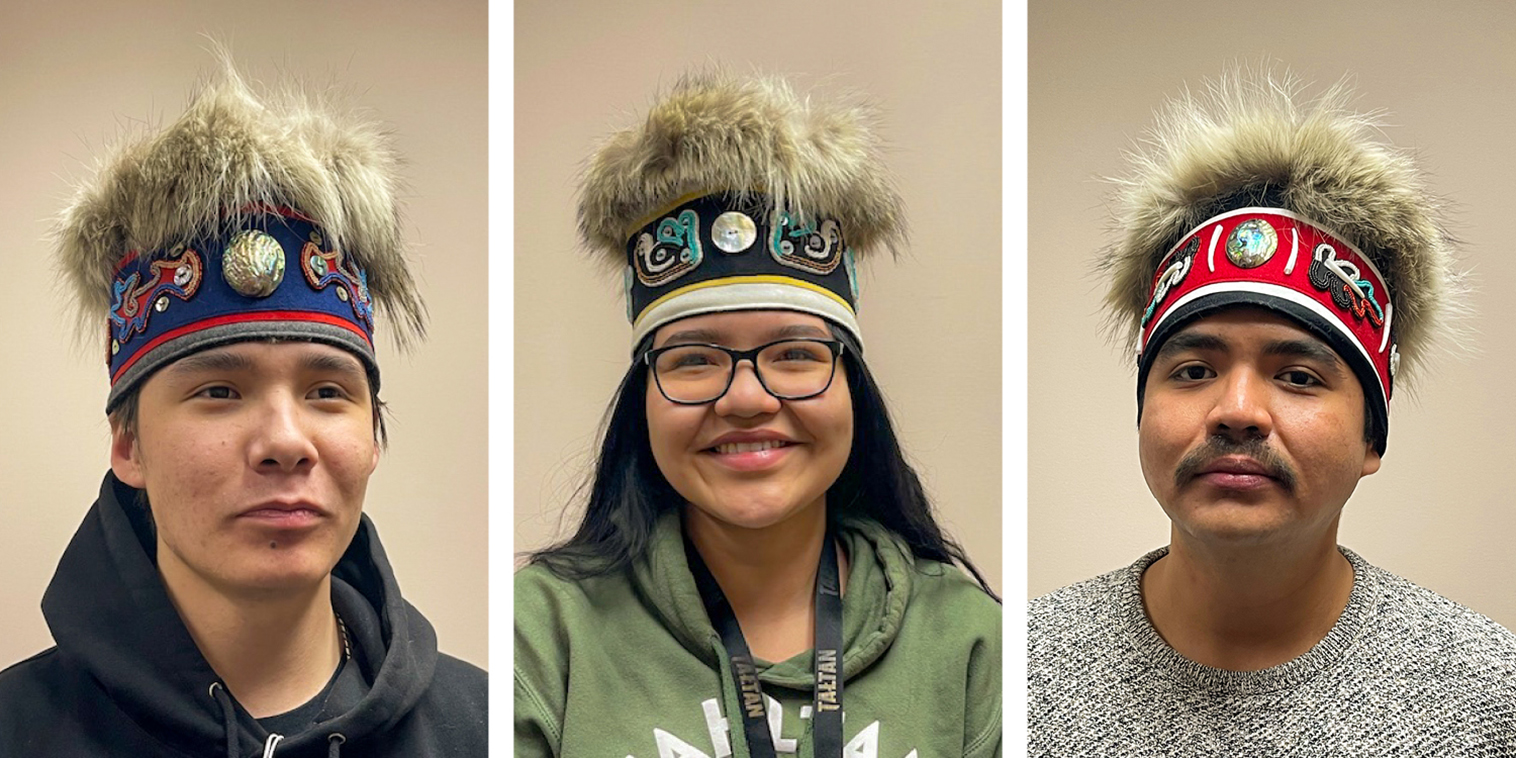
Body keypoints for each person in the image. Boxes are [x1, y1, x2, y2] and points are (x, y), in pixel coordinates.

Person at [0, 61, 487, 756]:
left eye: (327, 393)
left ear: (374, 436)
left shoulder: (481, 727)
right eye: (219, 392)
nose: (287, 441)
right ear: (128, 446)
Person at [1027, 68, 1516, 755]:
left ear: (1373, 436)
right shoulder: (1021, 678)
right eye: (1194, 371)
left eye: (1297, 376)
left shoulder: (1489, 701)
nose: (1236, 410)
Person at [514, 71, 1002, 758]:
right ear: (641, 400)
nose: (746, 398)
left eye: (796, 354)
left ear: (852, 387)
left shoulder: (972, 645)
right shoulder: (540, 635)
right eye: (693, 359)